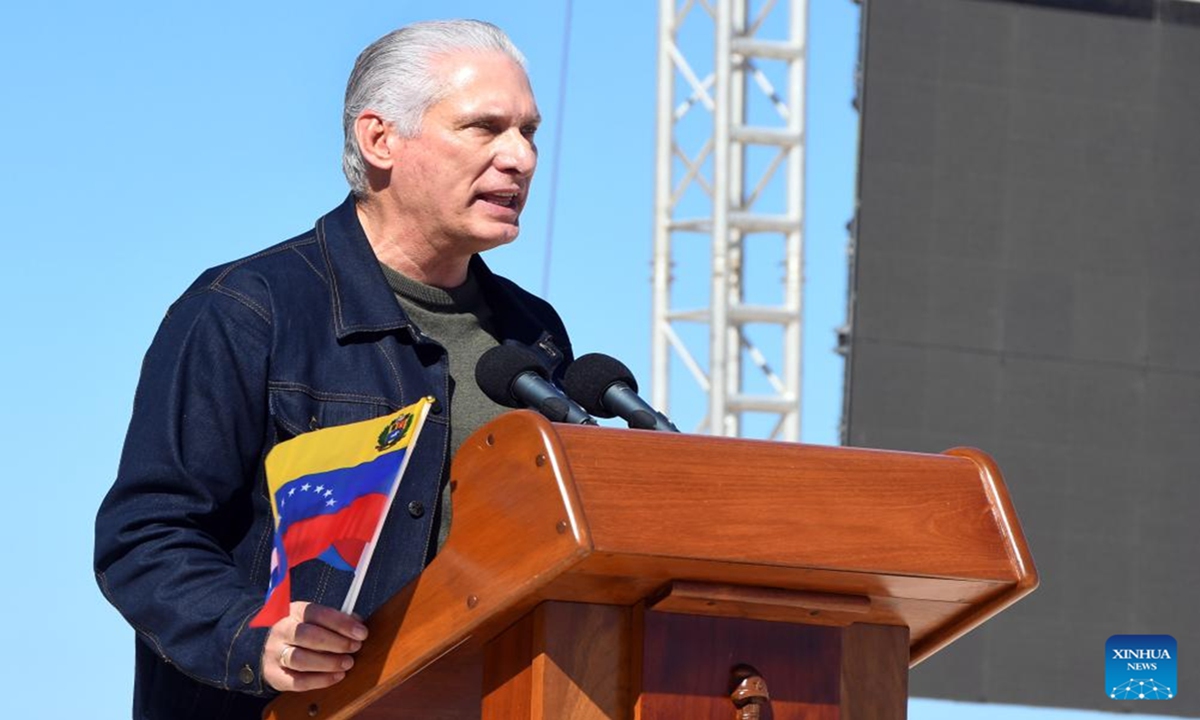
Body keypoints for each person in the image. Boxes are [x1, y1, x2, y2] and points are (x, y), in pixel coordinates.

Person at [94, 19, 572, 720]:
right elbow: (146, 536)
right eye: (484, 127)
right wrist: (253, 637)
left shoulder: (535, 334)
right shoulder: (249, 311)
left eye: (529, 132)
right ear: (379, 138)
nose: (519, 158)